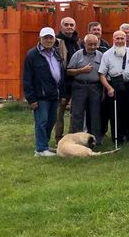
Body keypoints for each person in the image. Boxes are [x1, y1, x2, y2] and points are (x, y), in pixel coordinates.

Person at [23, 27, 64, 157]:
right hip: (40, 96)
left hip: (54, 94)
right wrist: (31, 99)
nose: (48, 40)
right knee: (42, 122)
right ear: (40, 39)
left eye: (51, 37)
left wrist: (61, 93)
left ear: (54, 39)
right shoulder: (32, 55)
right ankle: (40, 149)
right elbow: (27, 79)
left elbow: (60, 73)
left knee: (51, 120)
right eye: (45, 38)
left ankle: (44, 145)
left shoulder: (56, 52)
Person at [98, 30, 129, 143]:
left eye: (122, 38)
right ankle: (118, 137)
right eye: (118, 38)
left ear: (126, 39)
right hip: (114, 85)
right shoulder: (107, 55)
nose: (120, 40)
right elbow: (102, 74)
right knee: (116, 113)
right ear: (113, 39)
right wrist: (109, 88)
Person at [66, 34, 103, 143]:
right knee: (77, 113)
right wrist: (82, 70)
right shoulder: (77, 55)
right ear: (84, 44)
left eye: (95, 44)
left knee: (95, 113)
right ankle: (76, 139)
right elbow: (68, 71)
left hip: (95, 87)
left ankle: (95, 139)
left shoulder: (101, 55)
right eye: (90, 44)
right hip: (79, 86)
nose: (92, 47)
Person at [54, 16, 80, 144]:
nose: (69, 27)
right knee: (59, 112)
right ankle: (58, 138)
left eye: (71, 25)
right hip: (62, 82)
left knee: (75, 112)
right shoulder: (57, 42)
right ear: (61, 26)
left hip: (75, 82)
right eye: (66, 25)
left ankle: (72, 137)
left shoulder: (77, 42)